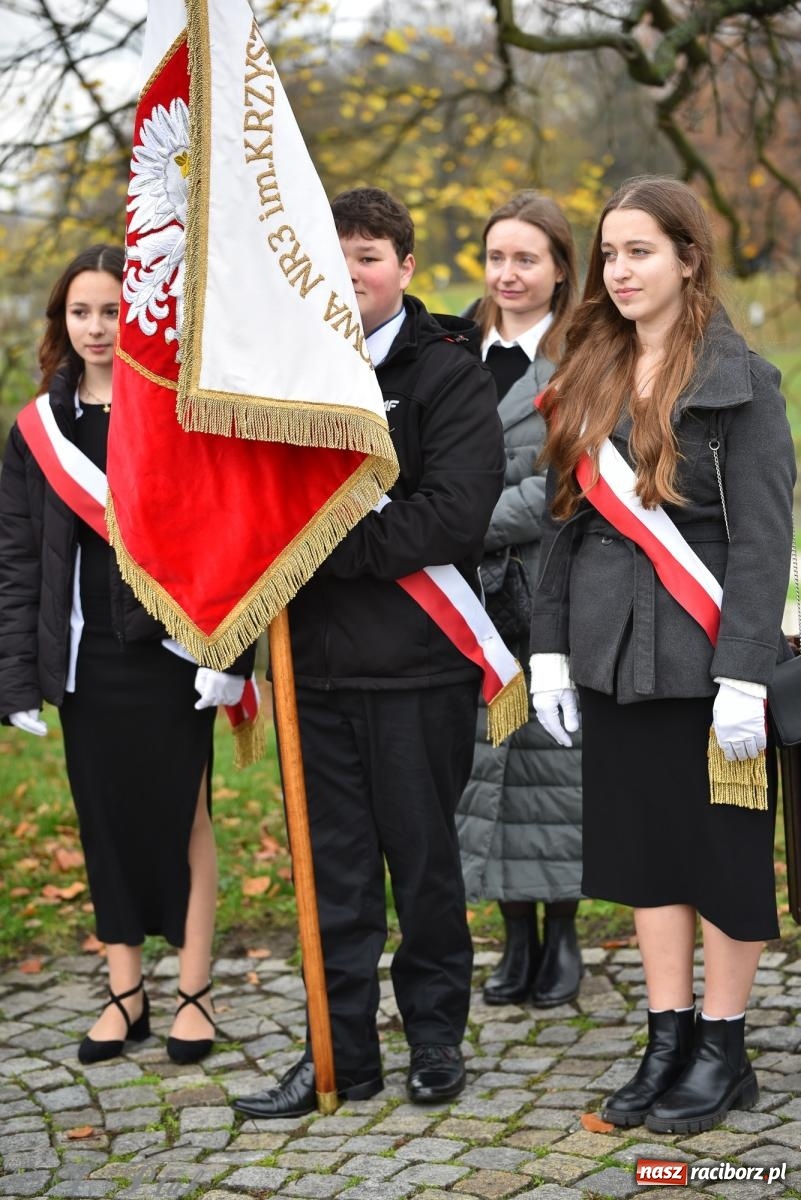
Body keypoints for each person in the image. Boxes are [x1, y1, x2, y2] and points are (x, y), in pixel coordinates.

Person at [529, 176, 795, 1134]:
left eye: (640, 250)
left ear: (688, 257)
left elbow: (763, 543)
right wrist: (549, 655)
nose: (620, 269)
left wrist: (742, 674)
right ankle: (666, 1035)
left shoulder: (741, 382)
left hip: (708, 664)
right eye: (608, 253)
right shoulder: (590, 370)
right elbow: (564, 527)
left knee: (719, 857)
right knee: (644, 857)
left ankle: (722, 1052)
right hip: (611, 660)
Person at [233, 186, 504, 1119]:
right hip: (310, 669)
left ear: (406, 268)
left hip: (418, 665)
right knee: (334, 877)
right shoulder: (285, 375)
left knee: (422, 864)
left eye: (370, 257)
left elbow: (452, 517)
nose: (351, 276)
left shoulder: (447, 374)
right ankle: (337, 1053)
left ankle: (435, 1038)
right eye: (334, 256)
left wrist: (321, 547)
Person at [0, 245, 254, 1066]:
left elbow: (231, 531)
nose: (98, 327)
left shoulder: (182, 412)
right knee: (104, 823)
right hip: (84, 659)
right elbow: (16, 556)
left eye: (113, 310)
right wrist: (14, 673)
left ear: (140, 316)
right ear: (61, 321)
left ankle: (193, 989)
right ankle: (124, 992)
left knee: (184, 815)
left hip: (173, 649)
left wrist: (233, 652)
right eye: (82, 312)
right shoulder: (39, 427)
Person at [456, 191, 585, 1009]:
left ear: (559, 269)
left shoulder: (584, 356)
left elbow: (564, 484)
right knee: (484, 766)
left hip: (551, 590)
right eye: (497, 257)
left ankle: (563, 937)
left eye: (525, 259)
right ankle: (513, 937)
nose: (508, 274)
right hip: (466, 603)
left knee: (557, 772)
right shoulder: (453, 350)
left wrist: (457, 525)